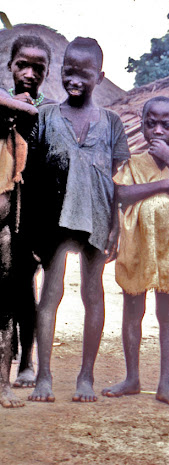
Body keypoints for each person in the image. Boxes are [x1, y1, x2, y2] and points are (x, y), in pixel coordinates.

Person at [27, 37, 130, 403]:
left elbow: (118, 179)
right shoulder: (46, 117)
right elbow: (32, 171)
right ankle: (44, 376)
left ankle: (85, 376)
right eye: (69, 71)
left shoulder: (113, 123)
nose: (74, 79)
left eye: (84, 74)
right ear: (61, 70)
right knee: (50, 294)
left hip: (97, 217)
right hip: (54, 219)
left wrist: (116, 226)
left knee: (93, 293)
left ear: (99, 77)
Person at [102, 97, 169, 408]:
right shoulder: (134, 162)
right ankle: (132, 377)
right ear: (143, 124)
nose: (158, 130)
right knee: (132, 313)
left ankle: (165, 384)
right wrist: (164, 185)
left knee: (168, 315)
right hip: (136, 247)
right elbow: (121, 193)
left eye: (166, 125)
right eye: (152, 123)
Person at [6, 35, 57, 390]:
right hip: (3, 209)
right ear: (10, 66)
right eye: (22, 65)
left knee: (25, 288)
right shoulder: (3, 103)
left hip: (33, 214)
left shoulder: (52, 111)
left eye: (37, 68)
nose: (29, 73)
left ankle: (26, 360)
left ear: (47, 72)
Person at [0, 91, 39, 407]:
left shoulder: (13, 145)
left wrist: (14, 103)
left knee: (6, 310)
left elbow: (30, 113)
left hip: (3, 234)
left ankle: (2, 385)